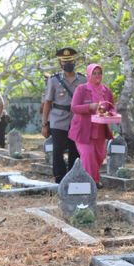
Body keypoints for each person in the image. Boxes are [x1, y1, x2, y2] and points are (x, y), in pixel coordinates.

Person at [42, 48, 86, 183]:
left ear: (75, 62)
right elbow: (47, 102)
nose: (68, 64)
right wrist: (45, 124)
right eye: (65, 61)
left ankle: (73, 177)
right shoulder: (53, 80)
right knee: (57, 151)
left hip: (77, 120)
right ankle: (60, 179)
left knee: (75, 150)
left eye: (70, 61)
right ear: (60, 63)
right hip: (58, 119)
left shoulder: (83, 79)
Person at [69, 64, 114, 186]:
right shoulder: (81, 89)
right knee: (87, 156)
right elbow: (74, 108)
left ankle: (91, 178)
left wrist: (111, 114)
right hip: (83, 130)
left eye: (99, 73)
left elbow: (111, 108)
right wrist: (90, 107)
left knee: (99, 156)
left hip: (100, 131)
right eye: (94, 73)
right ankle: (91, 183)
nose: (97, 76)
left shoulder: (106, 91)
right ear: (88, 75)